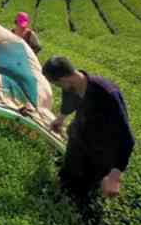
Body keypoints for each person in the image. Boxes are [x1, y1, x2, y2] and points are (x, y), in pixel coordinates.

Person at [42, 56, 135, 201]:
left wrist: (115, 176)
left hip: (98, 154)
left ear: (65, 79)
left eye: (58, 85)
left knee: (82, 192)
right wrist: (60, 119)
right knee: (66, 180)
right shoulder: (72, 85)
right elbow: (69, 101)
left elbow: (127, 138)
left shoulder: (107, 94)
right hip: (78, 142)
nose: (60, 89)